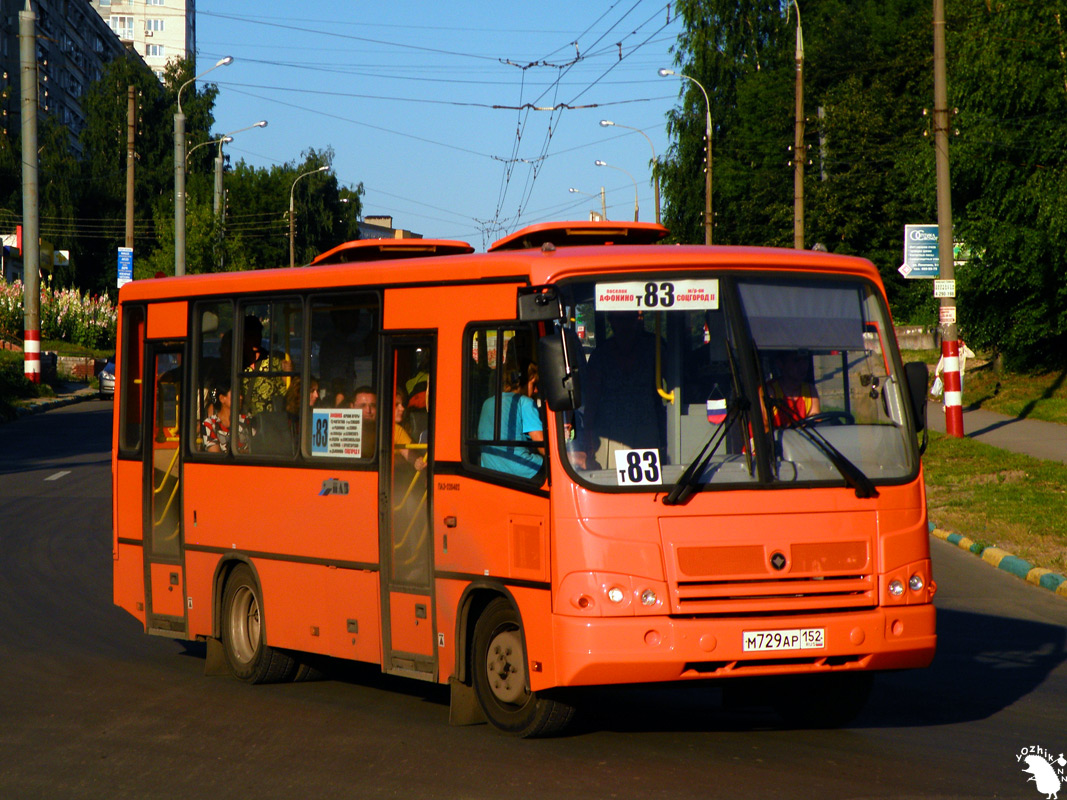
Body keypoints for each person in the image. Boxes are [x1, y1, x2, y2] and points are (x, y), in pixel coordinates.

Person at [580, 311, 663, 468]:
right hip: (609, 432)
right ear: (611, 321)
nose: (625, 325)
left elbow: (671, 384)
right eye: (620, 320)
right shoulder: (600, 355)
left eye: (629, 319)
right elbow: (592, 399)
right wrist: (588, 433)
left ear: (637, 320)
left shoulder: (653, 350)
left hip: (645, 429)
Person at [477, 366, 543, 478]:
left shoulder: (487, 403)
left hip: (489, 468)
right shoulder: (525, 402)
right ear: (521, 383)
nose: (536, 390)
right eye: (533, 384)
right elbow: (542, 445)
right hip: (521, 470)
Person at [763, 350, 820, 427]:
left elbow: (816, 423)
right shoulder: (769, 391)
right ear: (780, 363)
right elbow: (764, 428)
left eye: (805, 360)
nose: (803, 366)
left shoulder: (810, 390)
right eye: (796, 361)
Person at [201, 378, 250, 454]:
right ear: (222, 398)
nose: (241, 398)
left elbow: (258, 449)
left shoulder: (246, 420)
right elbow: (216, 456)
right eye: (236, 394)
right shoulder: (210, 424)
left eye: (240, 394)